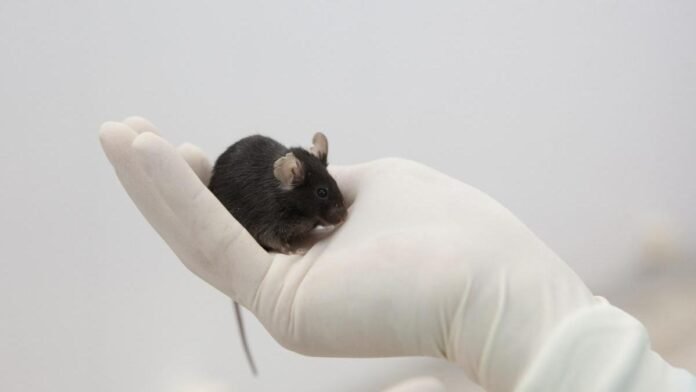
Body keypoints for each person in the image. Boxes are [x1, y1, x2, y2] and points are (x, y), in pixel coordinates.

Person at [99, 117, 695, 392]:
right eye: (323, 202)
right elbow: (274, 215)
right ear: (293, 177)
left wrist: (519, 324)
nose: (336, 214)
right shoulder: (276, 186)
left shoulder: (300, 174)